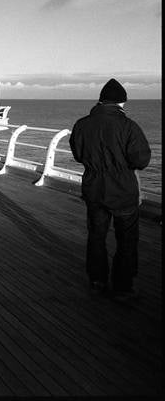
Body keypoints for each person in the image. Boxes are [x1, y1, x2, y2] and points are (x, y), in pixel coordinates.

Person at [69, 78, 151, 301]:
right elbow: (141, 160)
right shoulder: (129, 127)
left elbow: (78, 155)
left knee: (96, 236)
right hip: (123, 191)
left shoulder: (81, 125)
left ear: (100, 101)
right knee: (126, 240)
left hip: (94, 189)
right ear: (122, 103)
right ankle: (123, 286)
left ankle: (97, 280)